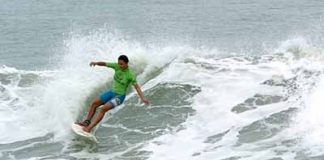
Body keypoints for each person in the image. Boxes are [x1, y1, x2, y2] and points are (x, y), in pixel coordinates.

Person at [76, 55, 149, 133]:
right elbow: (105, 64)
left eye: (121, 64)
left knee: (103, 109)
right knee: (94, 103)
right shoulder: (116, 66)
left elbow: (137, 87)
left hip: (119, 97)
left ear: (126, 63)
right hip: (111, 93)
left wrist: (143, 98)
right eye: (119, 63)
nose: (120, 65)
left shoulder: (130, 75)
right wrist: (96, 63)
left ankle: (89, 129)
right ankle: (86, 122)